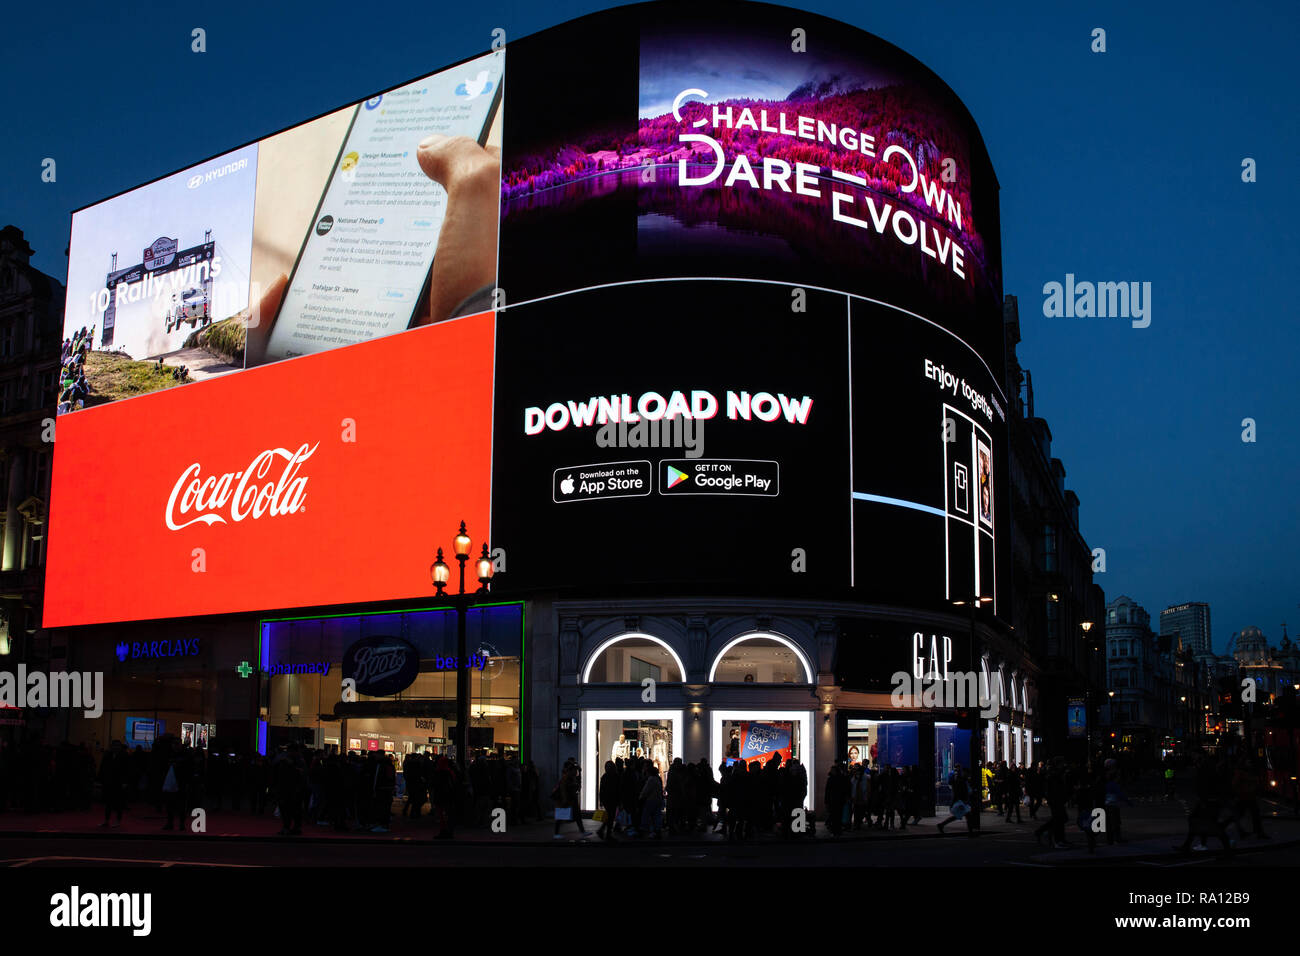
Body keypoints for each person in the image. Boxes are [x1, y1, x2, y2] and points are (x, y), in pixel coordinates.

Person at [98, 740, 129, 828]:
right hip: (109, 781)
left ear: (120, 747)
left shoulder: (124, 755)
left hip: (119, 782)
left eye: (117, 746)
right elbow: (103, 767)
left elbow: (127, 770)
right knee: (108, 802)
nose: (115, 747)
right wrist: (101, 779)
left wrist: (125, 782)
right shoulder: (107, 755)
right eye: (114, 746)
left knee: (118, 803)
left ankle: (117, 820)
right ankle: (107, 820)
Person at [553, 759, 587, 839]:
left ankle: (582, 831)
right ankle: (556, 833)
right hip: (567, 799)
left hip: (570, 799)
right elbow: (564, 789)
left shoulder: (570, 776)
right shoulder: (567, 777)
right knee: (561, 816)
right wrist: (565, 800)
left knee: (576, 815)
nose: (576, 771)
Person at [936, 766, 974, 835]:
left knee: (957, 816)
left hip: (961, 801)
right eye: (967, 773)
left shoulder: (961, 780)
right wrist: (961, 801)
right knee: (967, 816)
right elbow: (959, 792)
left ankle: (941, 825)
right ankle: (971, 832)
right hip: (961, 801)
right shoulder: (961, 781)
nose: (968, 775)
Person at [596, 760, 620, 841]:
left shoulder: (605, 776)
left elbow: (602, 790)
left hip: (607, 799)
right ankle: (607, 834)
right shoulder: (615, 776)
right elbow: (617, 789)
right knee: (611, 817)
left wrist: (601, 800)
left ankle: (603, 831)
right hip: (612, 799)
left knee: (610, 817)